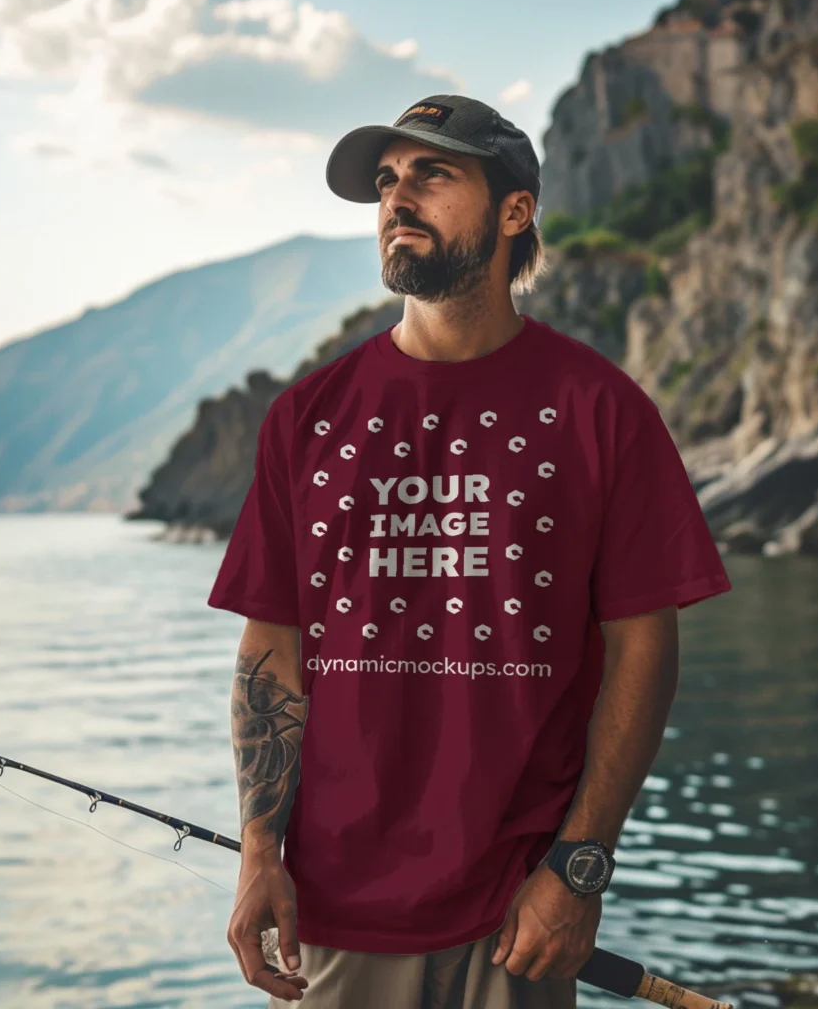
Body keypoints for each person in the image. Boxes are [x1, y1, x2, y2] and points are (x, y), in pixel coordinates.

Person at [206, 93, 732, 1008]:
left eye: (432, 175)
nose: (397, 200)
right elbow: (271, 650)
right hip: (339, 913)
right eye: (386, 181)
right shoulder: (307, 418)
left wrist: (579, 869)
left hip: (520, 914)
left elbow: (643, 650)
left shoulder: (602, 410)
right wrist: (259, 856)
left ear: (513, 211)